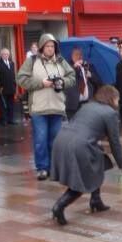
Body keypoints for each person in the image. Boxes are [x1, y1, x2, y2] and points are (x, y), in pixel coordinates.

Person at [50, 85, 122, 225]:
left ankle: (96, 199)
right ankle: (59, 206)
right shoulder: (110, 113)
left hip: (61, 140)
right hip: (78, 145)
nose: (118, 103)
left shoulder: (87, 105)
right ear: (112, 98)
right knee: (82, 180)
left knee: (99, 159)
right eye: (118, 100)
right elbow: (115, 144)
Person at [17, 33, 76, 180]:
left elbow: (72, 77)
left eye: (53, 46)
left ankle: (55, 167)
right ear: (42, 47)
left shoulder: (61, 61)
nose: (50, 49)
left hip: (57, 106)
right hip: (39, 107)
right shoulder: (32, 61)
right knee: (40, 139)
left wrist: (62, 82)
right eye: (48, 46)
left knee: (55, 140)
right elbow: (21, 79)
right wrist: (40, 83)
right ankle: (43, 168)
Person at [65, 47, 100, 120]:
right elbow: (65, 77)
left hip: (86, 103)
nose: (79, 56)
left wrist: (91, 75)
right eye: (77, 54)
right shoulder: (67, 65)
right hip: (73, 104)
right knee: (72, 126)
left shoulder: (87, 65)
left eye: (81, 54)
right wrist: (74, 67)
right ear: (72, 56)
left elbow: (98, 80)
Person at [0, 48, 17, 125]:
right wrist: (0, 86)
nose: (6, 55)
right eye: (4, 54)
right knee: (3, 105)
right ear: (1, 55)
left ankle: (11, 119)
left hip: (11, 87)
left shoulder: (12, 63)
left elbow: (13, 75)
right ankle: (4, 120)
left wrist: (15, 85)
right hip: (2, 88)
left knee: (11, 104)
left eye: (7, 54)